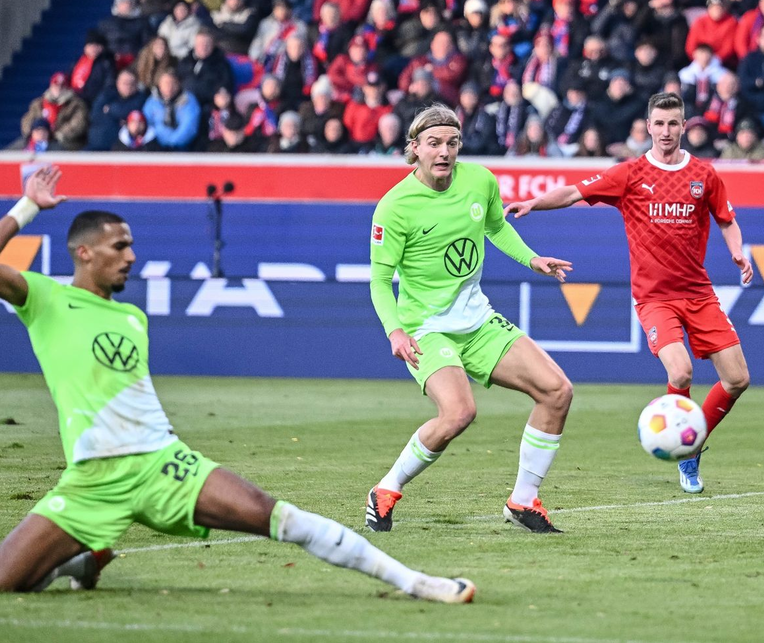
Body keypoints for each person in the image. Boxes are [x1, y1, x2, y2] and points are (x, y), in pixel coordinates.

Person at [0, 167, 474, 601]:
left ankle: (418, 583)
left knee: (281, 518)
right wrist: (27, 207)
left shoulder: (131, 318)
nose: (132, 256)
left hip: (162, 463)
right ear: (84, 253)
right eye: (119, 247)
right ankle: (81, 559)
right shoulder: (46, 300)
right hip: (92, 481)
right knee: (8, 582)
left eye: (131, 245)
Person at [506, 92, 754, 495]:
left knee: (738, 378)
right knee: (681, 371)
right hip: (654, 298)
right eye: (659, 123)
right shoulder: (630, 174)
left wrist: (737, 251)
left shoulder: (704, 174)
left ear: (684, 126)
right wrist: (535, 202)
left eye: (673, 123)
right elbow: (573, 192)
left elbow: (726, 220)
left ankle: (691, 443)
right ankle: (682, 448)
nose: (666, 131)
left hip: (699, 294)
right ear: (649, 126)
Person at [366, 106, 574, 535]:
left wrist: (532, 259)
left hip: (478, 322)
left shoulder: (480, 180)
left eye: (452, 143)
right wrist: (395, 331)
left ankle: (523, 500)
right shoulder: (394, 207)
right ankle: (386, 489)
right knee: (459, 412)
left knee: (557, 392)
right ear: (415, 148)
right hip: (425, 328)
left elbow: (497, 228)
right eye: (434, 143)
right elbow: (380, 280)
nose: (444, 152)